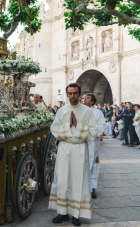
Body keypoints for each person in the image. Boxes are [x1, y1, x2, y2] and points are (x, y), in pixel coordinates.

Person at [49, 83, 98, 226]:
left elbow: (94, 132)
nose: (72, 96)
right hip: (64, 148)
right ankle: (62, 213)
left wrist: (78, 126)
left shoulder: (87, 111)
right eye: (70, 93)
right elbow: (54, 129)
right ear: (67, 94)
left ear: (79, 94)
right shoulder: (62, 110)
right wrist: (67, 126)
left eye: (75, 93)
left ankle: (77, 214)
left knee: (79, 181)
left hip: (79, 149)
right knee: (62, 179)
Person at [84, 93, 106, 200]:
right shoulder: (78, 111)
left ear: (92, 102)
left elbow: (102, 126)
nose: (84, 99)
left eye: (87, 98)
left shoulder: (98, 113)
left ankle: (92, 188)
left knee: (93, 164)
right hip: (80, 142)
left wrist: (89, 131)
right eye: (83, 97)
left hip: (92, 142)